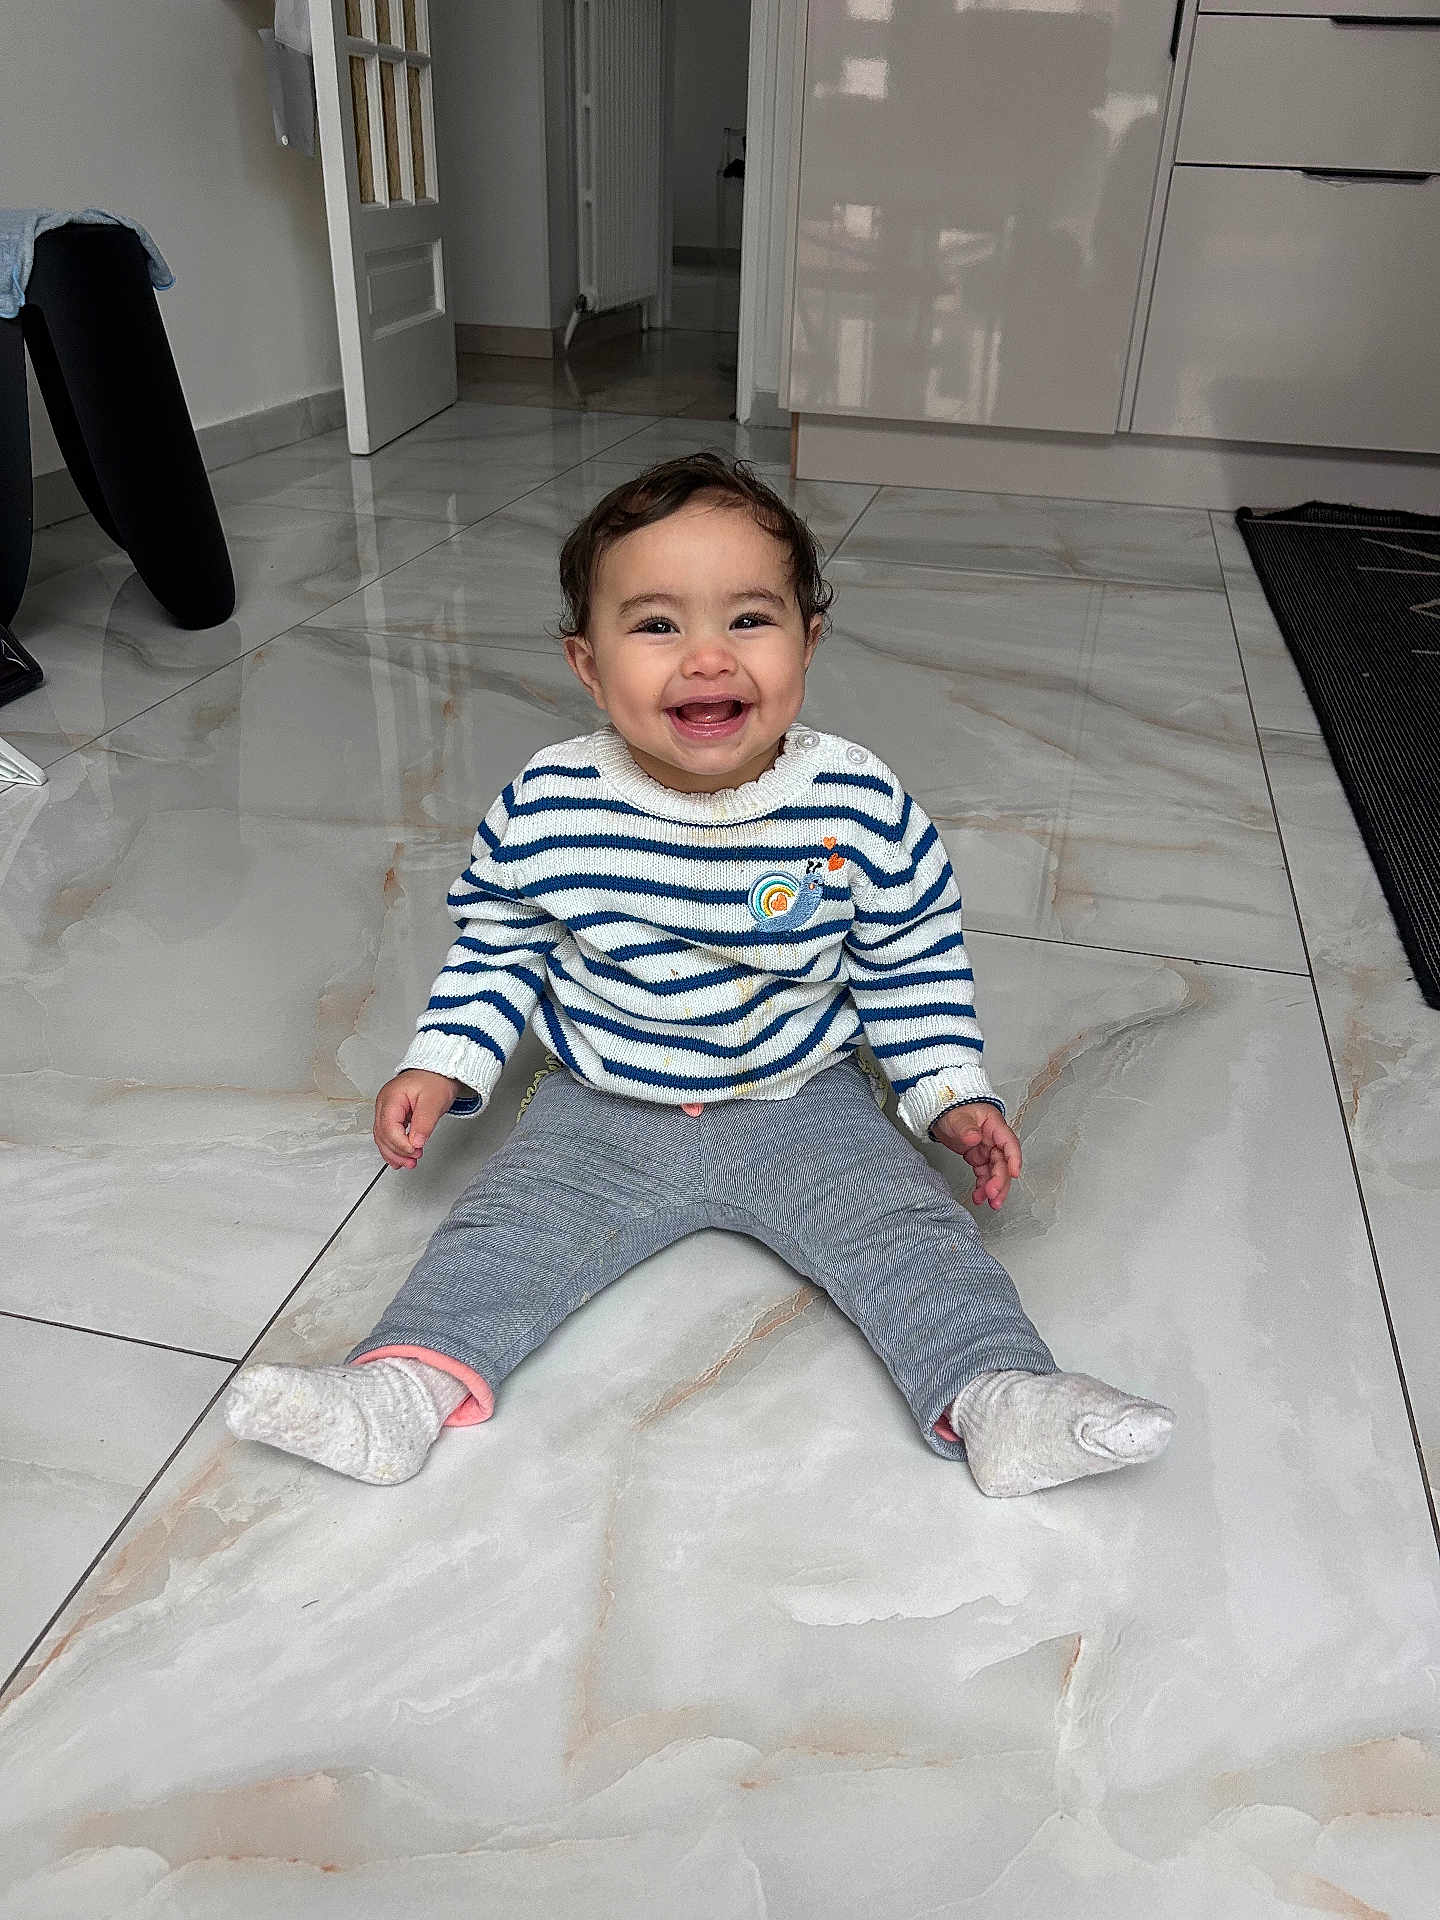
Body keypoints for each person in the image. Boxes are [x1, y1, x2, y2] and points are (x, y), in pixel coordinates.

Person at [225, 453, 1174, 1495]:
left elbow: (911, 958)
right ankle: (396, 1394)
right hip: (601, 1106)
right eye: (657, 625)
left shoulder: (857, 804)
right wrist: (446, 1059)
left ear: (809, 641)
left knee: (910, 1236)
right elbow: (500, 938)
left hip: (803, 1100)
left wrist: (948, 1092)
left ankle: (1002, 1398)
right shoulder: (552, 801)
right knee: (501, 1237)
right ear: (588, 666)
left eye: (750, 621)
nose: (708, 659)